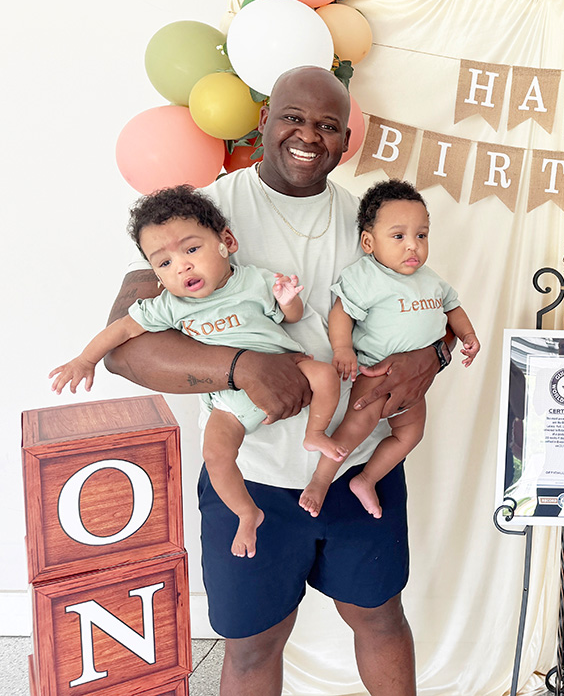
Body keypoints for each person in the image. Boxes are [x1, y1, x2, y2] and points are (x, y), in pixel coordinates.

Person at [103, 66, 446, 696]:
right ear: (264, 121)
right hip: (251, 474)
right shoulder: (205, 210)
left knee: (379, 618)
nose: (308, 135)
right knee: (253, 645)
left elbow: (425, 309)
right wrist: (240, 366)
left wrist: (435, 355)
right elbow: (124, 349)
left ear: (346, 140)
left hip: (355, 464)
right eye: (292, 117)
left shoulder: (368, 220)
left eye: (327, 125)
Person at [50, 185, 344, 559]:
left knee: (325, 375)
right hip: (228, 402)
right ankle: (246, 513)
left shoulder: (253, 280)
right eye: (164, 263)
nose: (182, 266)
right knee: (216, 455)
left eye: (191, 250)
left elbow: (291, 317)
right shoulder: (169, 306)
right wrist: (85, 360)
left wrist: (288, 301)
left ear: (227, 242)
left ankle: (315, 432)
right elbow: (121, 330)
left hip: (288, 367)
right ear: (156, 274)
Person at [300, 178, 480, 519]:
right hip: (375, 372)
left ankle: (366, 479)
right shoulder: (366, 276)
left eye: (421, 235)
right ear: (369, 242)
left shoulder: (431, 279)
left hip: (415, 382)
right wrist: (343, 349)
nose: (413, 246)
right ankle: (320, 481)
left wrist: (468, 335)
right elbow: (342, 312)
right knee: (356, 427)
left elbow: (452, 307)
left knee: (411, 432)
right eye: (399, 236)